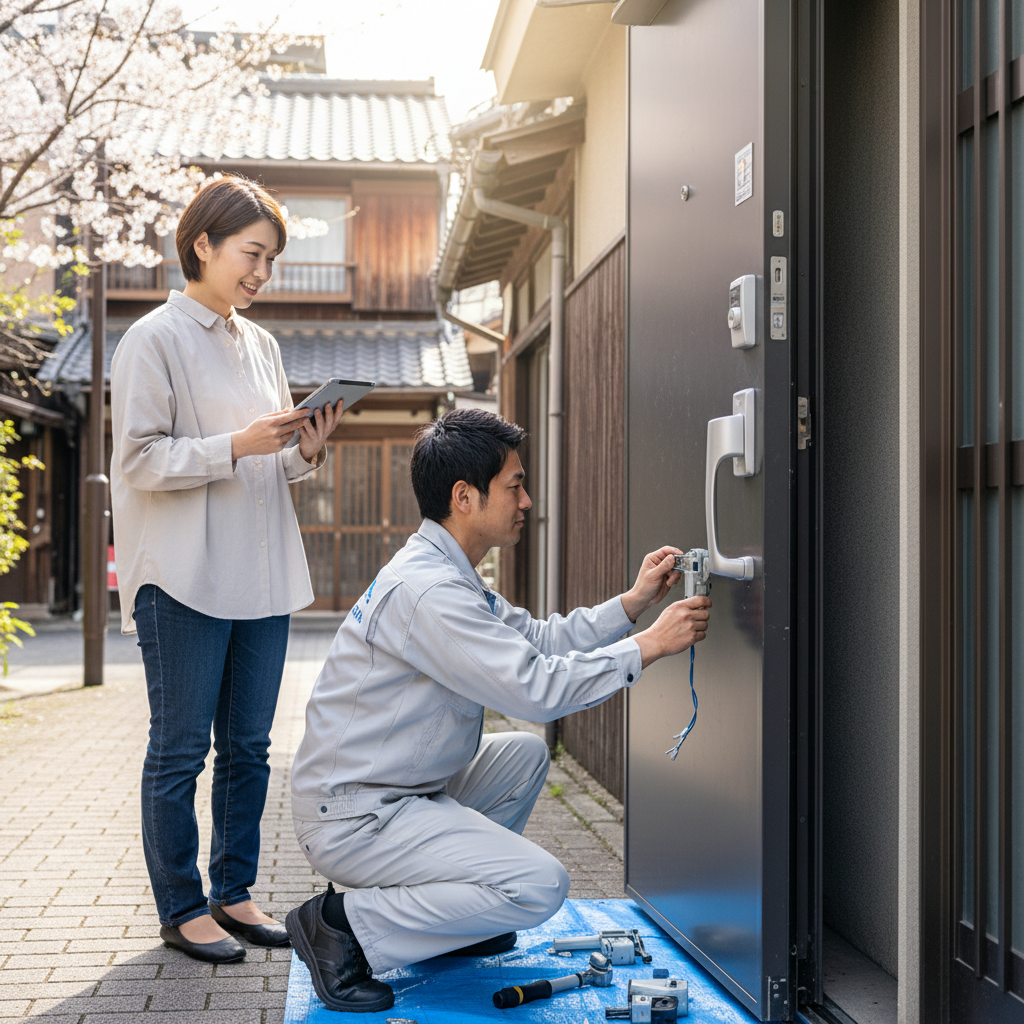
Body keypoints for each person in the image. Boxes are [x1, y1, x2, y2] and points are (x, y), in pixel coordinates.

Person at [285, 408, 711, 1012]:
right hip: (357, 814)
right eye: (514, 485)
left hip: (396, 789)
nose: (527, 500)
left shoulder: (448, 575)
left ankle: (454, 921)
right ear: (465, 496)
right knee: (540, 885)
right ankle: (342, 929)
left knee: (523, 754)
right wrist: (649, 646)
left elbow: (537, 640)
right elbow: (535, 688)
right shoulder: (430, 591)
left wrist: (633, 603)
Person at [109, 176, 342, 964]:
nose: (261, 274)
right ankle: (181, 908)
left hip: (262, 576)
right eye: (252, 254)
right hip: (181, 580)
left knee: (249, 747)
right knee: (179, 751)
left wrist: (303, 453)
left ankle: (233, 892)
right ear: (202, 244)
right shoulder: (152, 339)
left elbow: (268, 463)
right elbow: (138, 461)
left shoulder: (263, 345)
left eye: (271, 259)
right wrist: (236, 445)